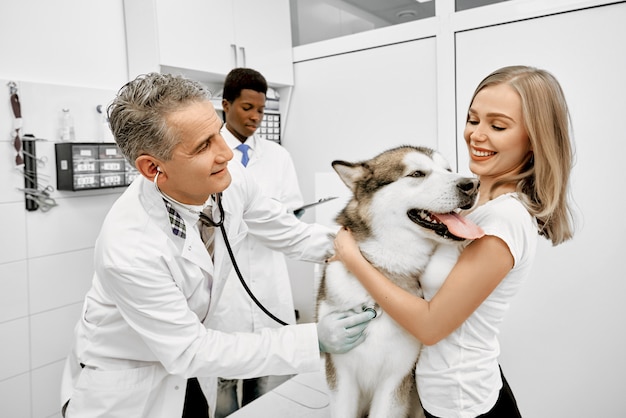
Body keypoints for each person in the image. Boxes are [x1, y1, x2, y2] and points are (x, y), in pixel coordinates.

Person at [59, 72, 376, 418]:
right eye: (204, 146)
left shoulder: (229, 179)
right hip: (129, 388)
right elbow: (191, 349)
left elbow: (290, 233)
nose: (226, 152)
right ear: (153, 167)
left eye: (217, 133)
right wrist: (313, 339)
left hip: (185, 374)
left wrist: (372, 254)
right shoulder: (129, 248)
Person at [330, 65, 575, 418]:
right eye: (473, 119)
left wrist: (353, 259)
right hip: (446, 390)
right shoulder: (474, 205)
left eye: (498, 125)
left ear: (534, 139)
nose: (476, 135)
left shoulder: (503, 219)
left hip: (462, 403)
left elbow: (431, 326)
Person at [206, 68, 305, 416]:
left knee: (268, 382)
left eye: (261, 110)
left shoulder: (278, 156)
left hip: (268, 276)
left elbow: (292, 212)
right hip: (226, 285)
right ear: (225, 104)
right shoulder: (209, 154)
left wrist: (279, 219)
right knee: (224, 380)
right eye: (247, 107)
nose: (255, 117)